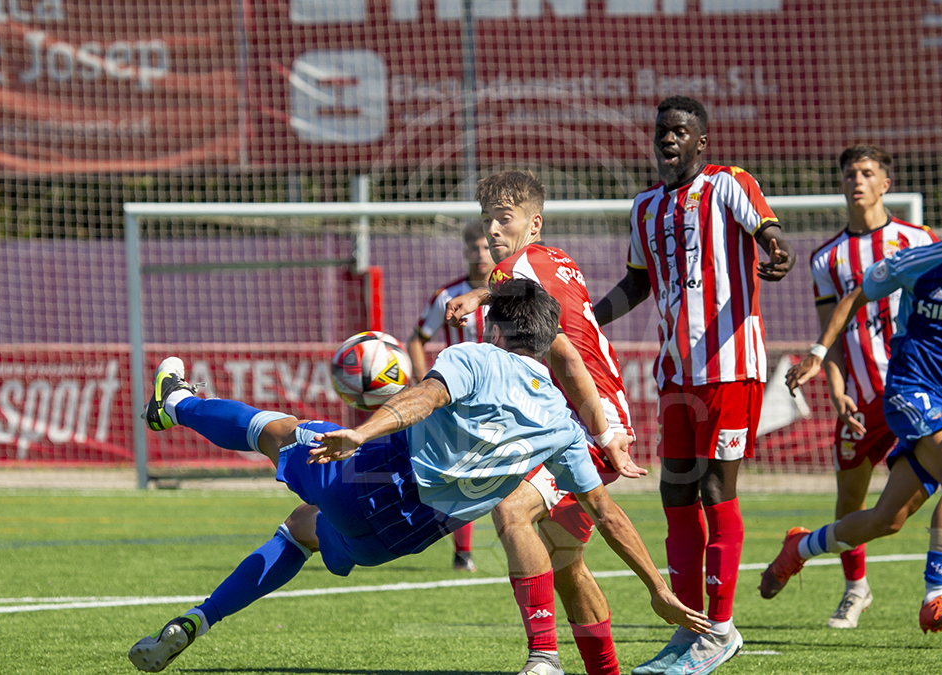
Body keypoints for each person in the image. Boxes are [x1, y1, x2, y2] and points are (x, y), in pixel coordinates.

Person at [128, 279, 709, 674]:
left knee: (278, 431)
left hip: (376, 477)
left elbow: (425, 398)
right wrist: (659, 591)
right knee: (302, 527)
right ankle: (194, 621)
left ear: (497, 328)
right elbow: (608, 515)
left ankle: (173, 402)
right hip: (403, 537)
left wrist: (362, 432)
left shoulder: (476, 358)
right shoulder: (560, 422)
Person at [766, 171, 942, 634]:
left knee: (888, 520)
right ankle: (937, 598)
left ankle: (800, 547)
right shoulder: (921, 260)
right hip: (908, 387)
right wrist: (819, 354)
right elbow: (854, 296)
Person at [593, 95, 796, 674]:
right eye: (662, 130)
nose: (669, 138)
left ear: (701, 141)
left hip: (730, 369)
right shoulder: (643, 208)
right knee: (675, 495)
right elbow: (636, 285)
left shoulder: (729, 183)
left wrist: (777, 253)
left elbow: (770, 235)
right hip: (676, 376)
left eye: (681, 131)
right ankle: (689, 629)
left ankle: (722, 630)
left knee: (714, 490)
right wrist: (583, 315)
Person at [444, 170, 643, 675]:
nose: (491, 229)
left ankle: (545, 658)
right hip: (576, 416)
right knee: (564, 563)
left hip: (588, 416)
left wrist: (479, 297)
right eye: (487, 218)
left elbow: (568, 356)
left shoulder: (516, 268)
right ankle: (605, 671)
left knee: (511, 509)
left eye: (503, 218)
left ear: (534, 224)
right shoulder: (557, 262)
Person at [406, 219, 493, 572]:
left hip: (504, 394)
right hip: (461, 397)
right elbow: (416, 339)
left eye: (487, 247)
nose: (481, 254)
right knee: (464, 473)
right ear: (465, 251)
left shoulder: (511, 291)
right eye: (475, 248)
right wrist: (422, 383)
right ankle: (463, 553)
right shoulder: (448, 295)